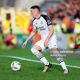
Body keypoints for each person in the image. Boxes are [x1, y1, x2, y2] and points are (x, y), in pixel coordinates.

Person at [22, 5, 68, 73]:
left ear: (36, 11)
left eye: (31, 11)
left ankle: (65, 69)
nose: (31, 13)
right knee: (33, 49)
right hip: (44, 39)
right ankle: (47, 64)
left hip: (51, 38)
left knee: (55, 52)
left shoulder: (45, 17)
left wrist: (47, 40)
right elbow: (34, 32)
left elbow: (51, 30)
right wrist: (26, 41)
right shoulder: (34, 21)